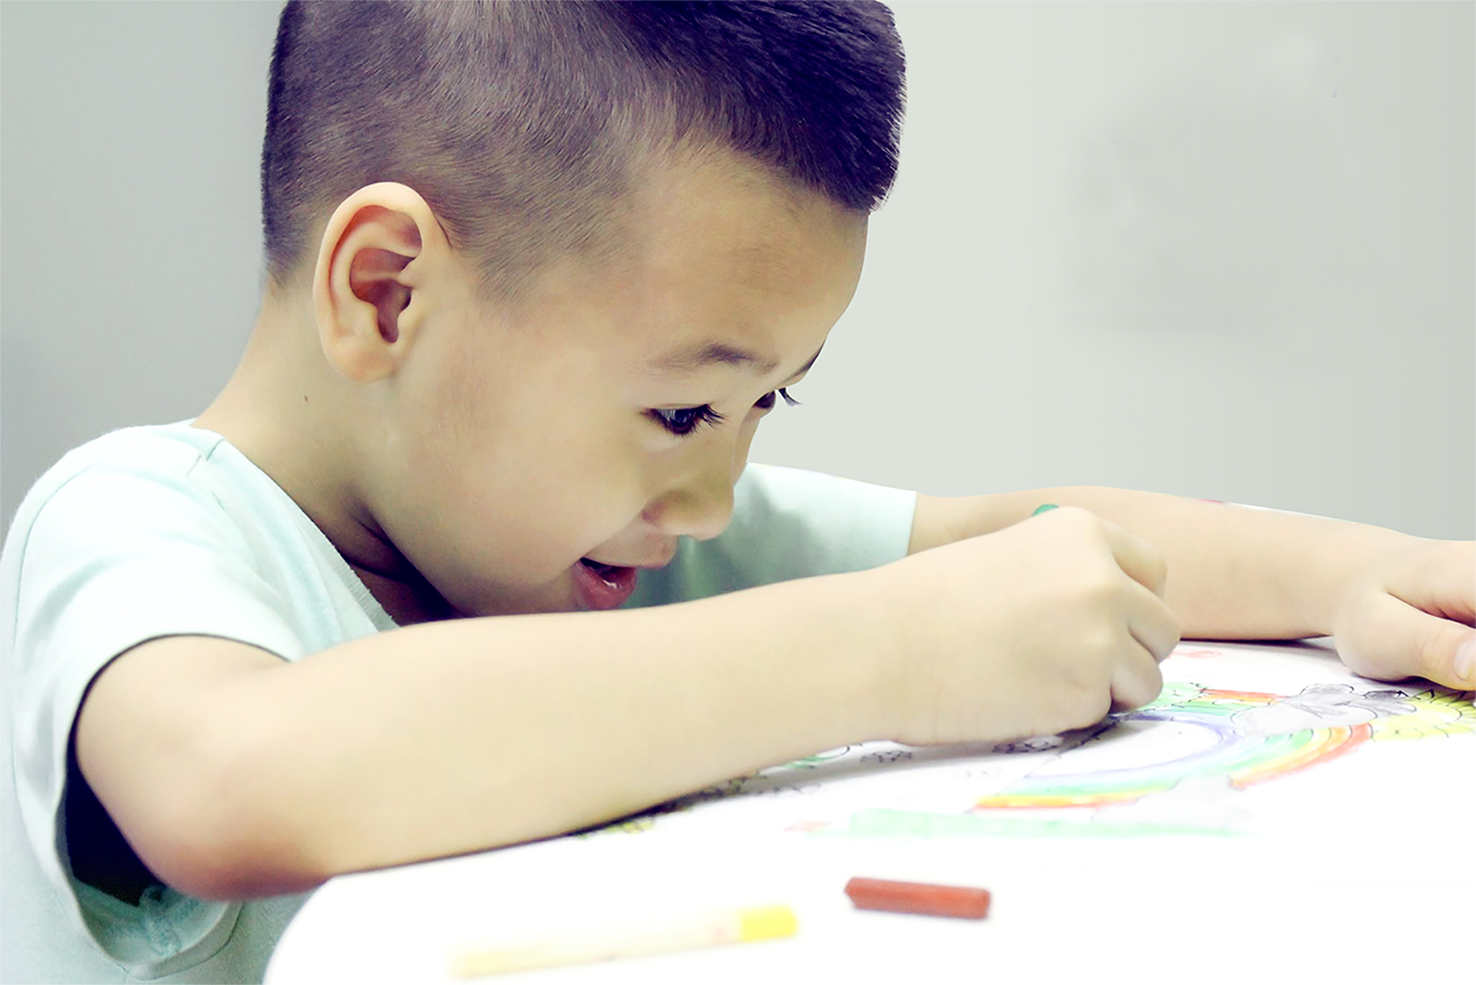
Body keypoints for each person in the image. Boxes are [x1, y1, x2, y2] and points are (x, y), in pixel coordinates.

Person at [3, 1, 1473, 981]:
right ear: (388, 292)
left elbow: (1014, 536)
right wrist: (886, 651)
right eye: (682, 410)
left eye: (770, 402)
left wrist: (1352, 574)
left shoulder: (622, 545)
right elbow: (224, 779)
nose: (714, 497)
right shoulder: (135, 519)